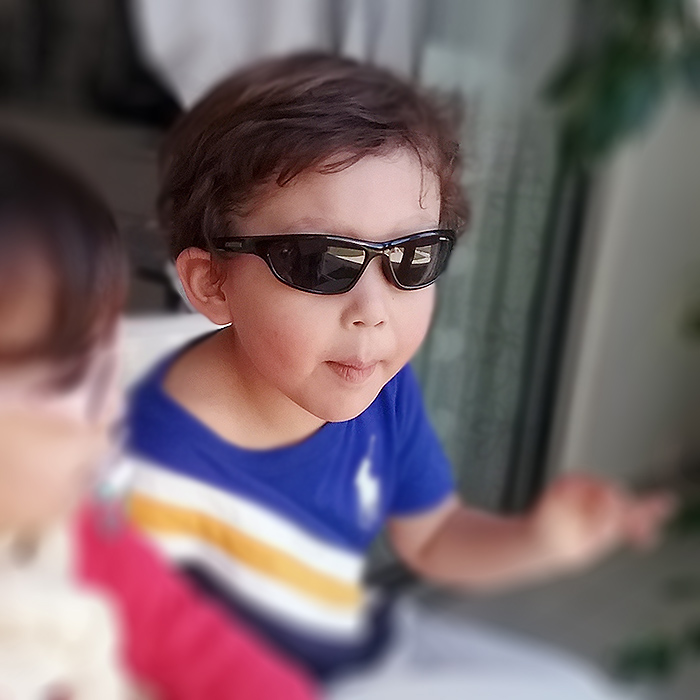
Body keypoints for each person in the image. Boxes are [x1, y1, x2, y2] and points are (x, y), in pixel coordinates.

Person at [125, 52, 673, 695]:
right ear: (211, 283)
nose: (373, 312)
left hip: (369, 647)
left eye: (412, 257)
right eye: (321, 261)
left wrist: (540, 540)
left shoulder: (373, 385)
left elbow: (432, 537)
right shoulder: (145, 469)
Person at [0, 133, 317, 699]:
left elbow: (192, 638)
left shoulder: (79, 532)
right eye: (67, 382)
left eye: (109, 368)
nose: (108, 410)